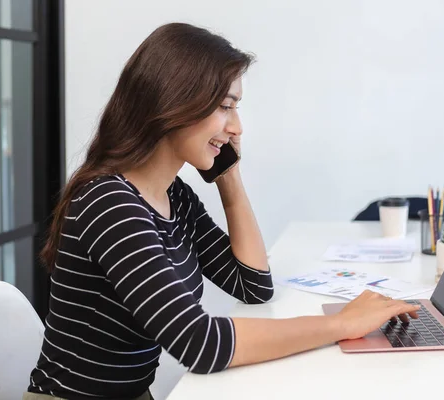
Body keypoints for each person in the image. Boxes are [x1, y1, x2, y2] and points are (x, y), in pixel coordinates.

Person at [25, 23, 420, 400]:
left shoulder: (172, 195)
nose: (238, 127)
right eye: (224, 107)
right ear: (173, 101)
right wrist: (341, 324)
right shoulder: (110, 203)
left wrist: (228, 178)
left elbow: (252, 285)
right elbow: (200, 345)